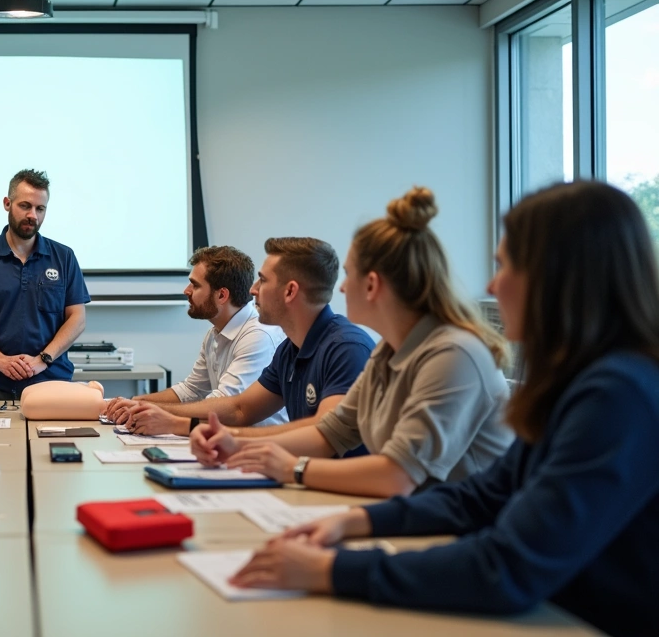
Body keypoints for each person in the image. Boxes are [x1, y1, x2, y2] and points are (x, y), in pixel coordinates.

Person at [229, 181, 659, 637]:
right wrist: (356, 521)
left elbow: (507, 567)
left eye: (504, 265)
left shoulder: (617, 395)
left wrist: (330, 570)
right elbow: (482, 497)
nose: (492, 285)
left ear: (559, 278)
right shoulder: (579, 381)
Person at [192, 188, 514, 497]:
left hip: (465, 526)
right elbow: (328, 433)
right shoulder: (388, 352)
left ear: (372, 284)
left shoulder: (453, 354)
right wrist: (233, 442)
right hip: (417, 514)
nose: (342, 288)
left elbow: (396, 476)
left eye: (348, 274)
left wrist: (293, 469)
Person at [122, 238, 374, 439]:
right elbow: (240, 409)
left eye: (262, 280)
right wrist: (169, 420)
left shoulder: (346, 348)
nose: (253, 290)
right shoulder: (290, 349)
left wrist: (176, 421)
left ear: (290, 291)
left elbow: (321, 434)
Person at [105, 245, 287, 426]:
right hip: (227, 435)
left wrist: (149, 409)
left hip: (254, 439)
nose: (187, 291)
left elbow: (224, 404)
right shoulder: (215, 333)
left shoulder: (258, 336)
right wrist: (137, 402)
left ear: (222, 295)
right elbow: (191, 390)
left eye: (195, 285)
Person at [0, 169, 90, 401]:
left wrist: (43, 359)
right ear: (7, 204)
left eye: (40, 208)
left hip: (51, 379)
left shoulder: (64, 257)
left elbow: (77, 318)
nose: (32, 215)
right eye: (25, 206)